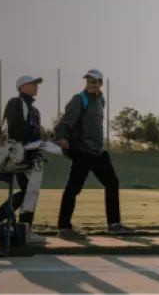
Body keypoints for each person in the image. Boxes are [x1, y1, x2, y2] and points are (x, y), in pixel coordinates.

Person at [52, 69, 135, 239]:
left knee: (112, 183)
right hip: (81, 150)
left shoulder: (100, 100)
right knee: (73, 188)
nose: (91, 85)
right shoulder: (79, 99)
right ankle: (64, 227)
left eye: (94, 82)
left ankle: (114, 224)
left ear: (100, 84)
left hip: (97, 151)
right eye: (89, 81)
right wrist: (60, 137)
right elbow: (66, 120)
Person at [0, 75, 47, 244]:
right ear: (21, 87)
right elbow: (15, 129)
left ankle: (22, 229)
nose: (36, 86)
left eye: (36, 84)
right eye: (32, 84)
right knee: (28, 192)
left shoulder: (35, 110)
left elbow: (35, 133)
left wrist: (39, 145)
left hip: (30, 155)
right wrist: (30, 142)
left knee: (30, 192)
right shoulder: (16, 103)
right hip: (18, 154)